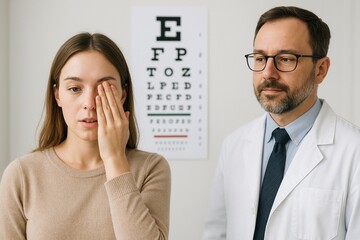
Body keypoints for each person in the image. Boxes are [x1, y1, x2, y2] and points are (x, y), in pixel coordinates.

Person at [202, 6, 360, 240]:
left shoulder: (354, 152)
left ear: (321, 70)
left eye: (285, 59)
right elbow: (216, 233)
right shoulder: (233, 145)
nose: (268, 73)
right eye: (260, 58)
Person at [0, 32, 171, 240]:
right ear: (57, 95)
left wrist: (115, 160)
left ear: (122, 95)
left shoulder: (151, 169)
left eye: (104, 89)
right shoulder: (21, 175)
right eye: (74, 88)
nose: (89, 103)